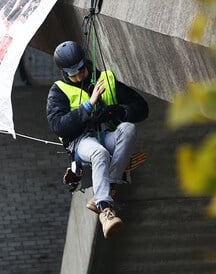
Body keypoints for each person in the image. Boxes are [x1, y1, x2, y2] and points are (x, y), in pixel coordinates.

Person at [46, 41, 150, 239]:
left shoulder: (105, 79)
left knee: (128, 129)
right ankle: (105, 210)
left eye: (81, 71)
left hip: (106, 135)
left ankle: (107, 187)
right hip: (81, 142)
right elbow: (58, 125)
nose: (78, 77)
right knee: (98, 153)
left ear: (85, 63)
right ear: (64, 73)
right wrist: (88, 106)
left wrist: (119, 112)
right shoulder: (58, 91)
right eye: (73, 74)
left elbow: (142, 108)